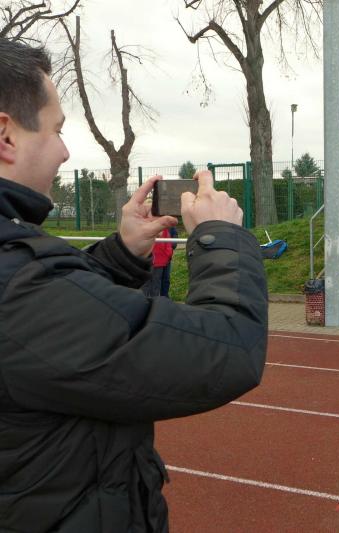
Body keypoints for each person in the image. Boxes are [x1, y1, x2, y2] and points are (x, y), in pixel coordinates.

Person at [0, 39, 268, 531]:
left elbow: (56, 325)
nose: (64, 150)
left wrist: (121, 254)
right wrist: (221, 237)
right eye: (57, 130)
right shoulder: (17, 288)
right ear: (6, 135)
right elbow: (230, 347)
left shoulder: (20, 272)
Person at [141, 226, 178, 298]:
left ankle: (155, 301)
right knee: (148, 283)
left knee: (157, 283)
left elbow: (169, 244)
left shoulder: (165, 229)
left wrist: (167, 256)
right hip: (150, 260)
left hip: (159, 261)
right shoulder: (147, 226)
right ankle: (148, 301)